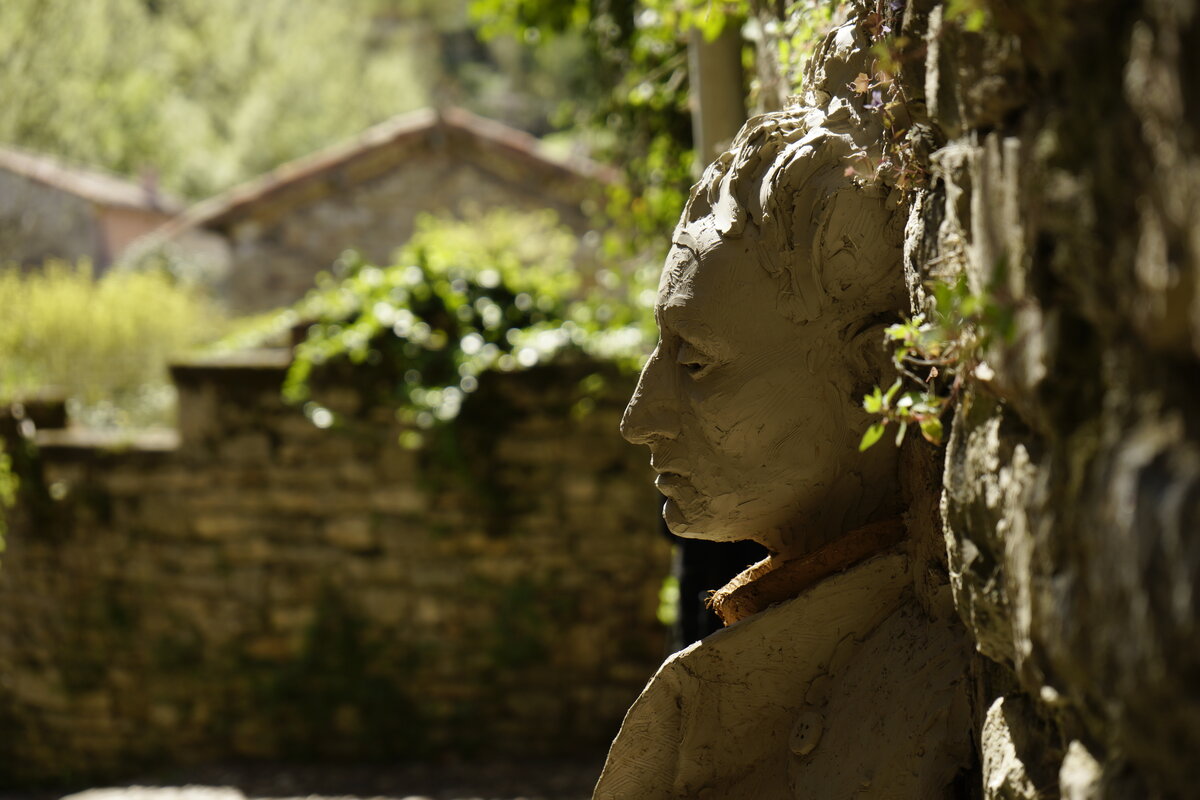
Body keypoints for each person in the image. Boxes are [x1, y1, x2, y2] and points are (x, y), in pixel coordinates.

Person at [593, 103, 973, 799]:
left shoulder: (932, 702)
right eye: (662, 351)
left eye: (698, 364)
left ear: (875, 380)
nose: (638, 418)